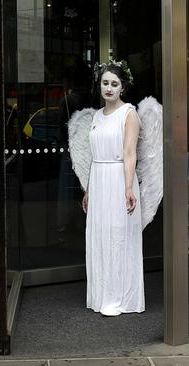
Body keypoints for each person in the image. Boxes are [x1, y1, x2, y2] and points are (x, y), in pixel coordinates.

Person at [82, 61, 143, 316]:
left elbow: (130, 153)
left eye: (114, 84)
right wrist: (88, 189)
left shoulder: (129, 114)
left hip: (119, 178)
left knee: (118, 237)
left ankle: (118, 297)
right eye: (105, 83)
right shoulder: (96, 115)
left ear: (123, 87)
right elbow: (93, 155)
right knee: (99, 236)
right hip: (99, 179)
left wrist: (128, 188)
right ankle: (101, 295)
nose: (109, 88)